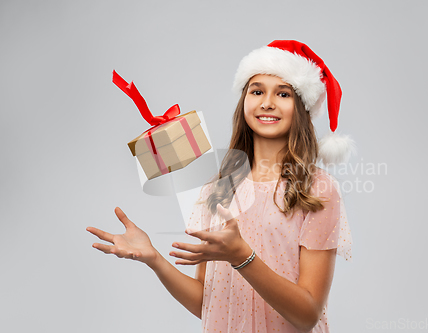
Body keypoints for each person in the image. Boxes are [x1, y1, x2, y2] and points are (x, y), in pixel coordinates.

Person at [87, 40, 355, 333]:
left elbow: (307, 315)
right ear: (244, 102)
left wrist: (242, 257)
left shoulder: (317, 190)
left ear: (301, 107)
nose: (267, 102)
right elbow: (209, 302)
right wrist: (154, 259)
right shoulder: (219, 187)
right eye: (257, 91)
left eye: (283, 93)